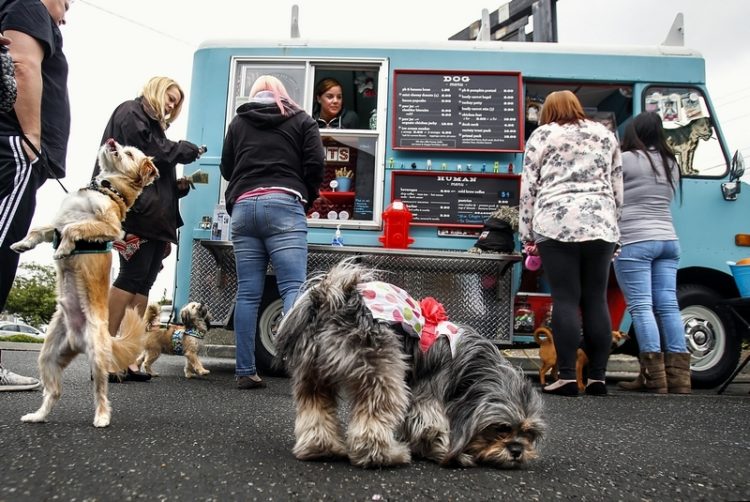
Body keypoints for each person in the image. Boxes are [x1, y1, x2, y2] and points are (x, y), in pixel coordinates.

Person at [93, 76, 202, 382]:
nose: (172, 105)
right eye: (170, 97)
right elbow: (147, 154)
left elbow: (153, 168)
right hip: (135, 213)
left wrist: (176, 186)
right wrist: (180, 149)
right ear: (155, 90)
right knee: (131, 278)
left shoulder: (154, 127)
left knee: (143, 284)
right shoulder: (131, 113)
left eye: (176, 102)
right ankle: (104, 356)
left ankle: (127, 356)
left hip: (154, 216)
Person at [220, 75, 324, 389]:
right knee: (292, 288)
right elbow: (316, 162)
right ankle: (300, 372)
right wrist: (305, 192)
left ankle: (245, 371)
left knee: (248, 293)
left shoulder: (238, 123)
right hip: (283, 204)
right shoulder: (301, 120)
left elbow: (227, 168)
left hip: (243, 208)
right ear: (282, 94)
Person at [519, 90, 623, 397]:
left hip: (556, 223)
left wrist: (527, 235)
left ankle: (566, 376)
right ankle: (598, 378)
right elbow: (617, 185)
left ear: (548, 110)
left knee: (565, 298)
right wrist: (616, 228)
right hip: (601, 222)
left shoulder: (543, 134)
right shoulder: (605, 134)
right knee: (595, 298)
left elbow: (529, 188)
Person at [0, 0, 71, 391]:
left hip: (16, 149)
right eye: (66, 2)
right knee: (3, 249)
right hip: (16, 147)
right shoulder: (28, 5)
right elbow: (22, 65)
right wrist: (31, 138)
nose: (66, 13)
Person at [613, 111, 690, 394]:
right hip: (669, 240)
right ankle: (680, 378)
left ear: (634, 132)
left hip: (635, 240)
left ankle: (653, 377)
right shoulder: (672, 163)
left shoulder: (627, 159)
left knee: (641, 306)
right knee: (668, 305)